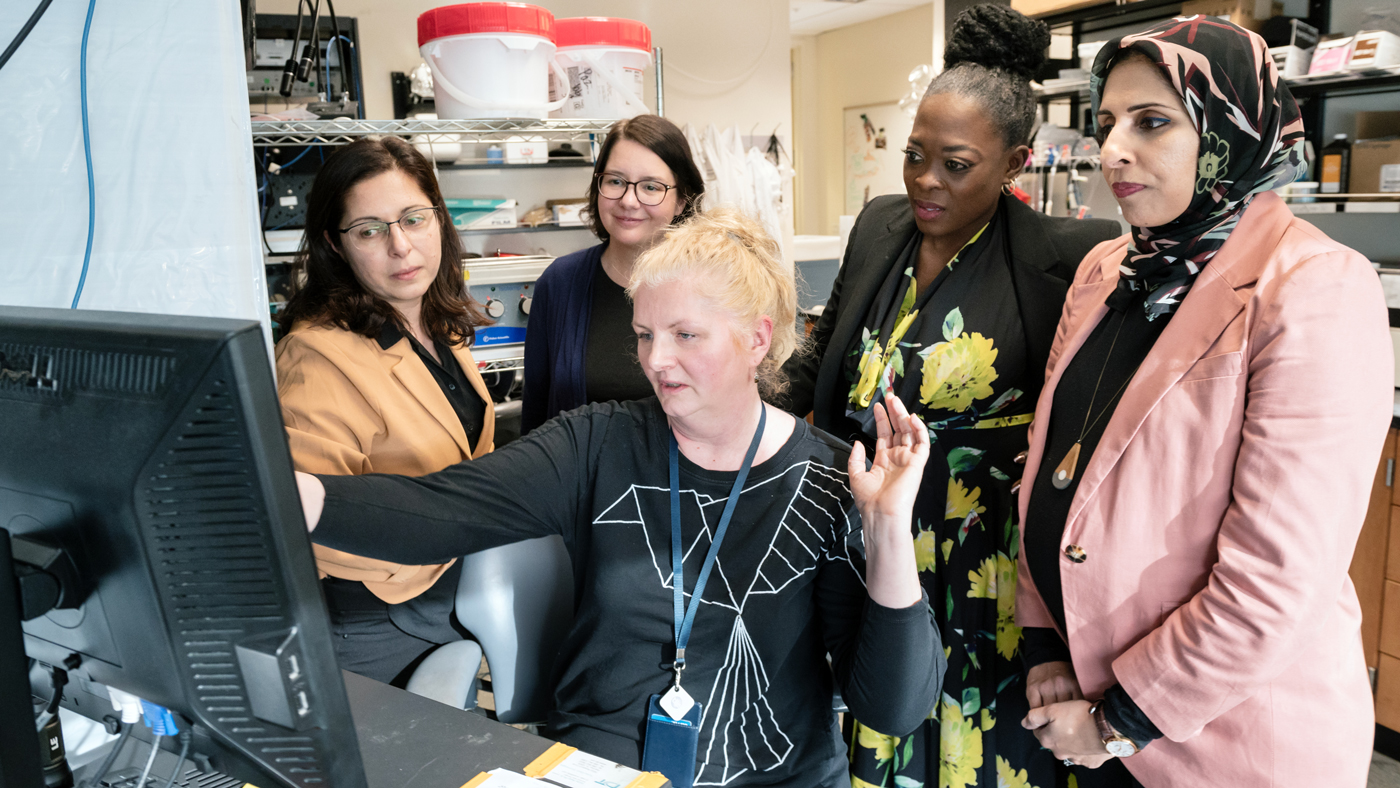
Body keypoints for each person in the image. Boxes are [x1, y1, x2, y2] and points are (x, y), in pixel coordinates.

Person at [293, 208, 944, 786]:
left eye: (685, 335)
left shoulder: (833, 479)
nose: (656, 360)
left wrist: (888, 531)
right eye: (644, 334)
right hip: (604, 768)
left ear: (755, 338)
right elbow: (440, 513)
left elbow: (893, 707)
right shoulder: (597, 444)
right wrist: (296, 500)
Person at [1015, 18, 1392, 788]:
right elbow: (1054, 464)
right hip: (1090, 703)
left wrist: (1121, 720)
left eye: (1153, 122)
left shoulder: (1313, 286)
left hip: (1233, 743)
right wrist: (1046, 643)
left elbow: (1275, 579)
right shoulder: (1106, 268)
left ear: (1232, 128)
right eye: (1108, 121)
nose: (1114, 148)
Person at [781, 6, 1120, 786]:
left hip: (986, 553)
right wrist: (746, 391)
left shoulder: (1068, 257)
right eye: (915, 156)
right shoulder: (879, 225)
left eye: (957, 164)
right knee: (884, 707)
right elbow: (829, 344)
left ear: (1014, 162)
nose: (927, 181)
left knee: (978, 733)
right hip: (876, 533)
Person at [274, 136, 495, 687]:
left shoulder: (436, 321)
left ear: (439, 221)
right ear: (335, 244)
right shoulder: (316, 354)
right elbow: (314, 520)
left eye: (414, 219)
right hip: (378, 615)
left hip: (451, 589)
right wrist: (443, 534)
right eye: (370, 230)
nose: (401, 247)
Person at [520, 114, 705, 434]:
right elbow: (535, 416)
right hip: (579, 481)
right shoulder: (560, 283)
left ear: (681, 201)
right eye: (616, 181)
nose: (628, 201)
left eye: (650, 187)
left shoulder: (712, 286)